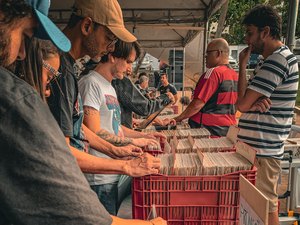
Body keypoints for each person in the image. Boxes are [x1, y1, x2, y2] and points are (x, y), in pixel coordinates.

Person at [0, 1, 166, 224]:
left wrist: (117, 150)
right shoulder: (52, 78)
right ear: (87, 26)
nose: (110, 47)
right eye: (109, 39)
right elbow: (64, 152)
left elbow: (78, 127)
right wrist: (123, 164)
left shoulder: (66, 70)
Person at [78, 40, 160, 214]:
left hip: (113, 171)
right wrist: (133, 142)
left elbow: (116, 127)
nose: (130, 68)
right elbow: (93, 131)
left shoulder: (109, 86)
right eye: (128, 61)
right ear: (113, 56)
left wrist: (144, 138)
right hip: (99, 177)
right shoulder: (91, 83)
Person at [236, 5, 299, 225]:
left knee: (265, 205)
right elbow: (244, 102)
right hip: (256, 148)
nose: (247, 39)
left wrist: (248, 103)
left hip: (264, 149)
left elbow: (242, 104)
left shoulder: (277, 60)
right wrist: (243, 66)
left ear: (265, 32)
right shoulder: (266, 60)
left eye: (250, 32)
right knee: (254, 206)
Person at [174, 38, 238, 137]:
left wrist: (178, 118)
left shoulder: (213, 72)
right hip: (227, 130)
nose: (205, 57)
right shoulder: (235, 75)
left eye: (208, 53)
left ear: (218, 53)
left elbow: (197, 104)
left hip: (207, 130)